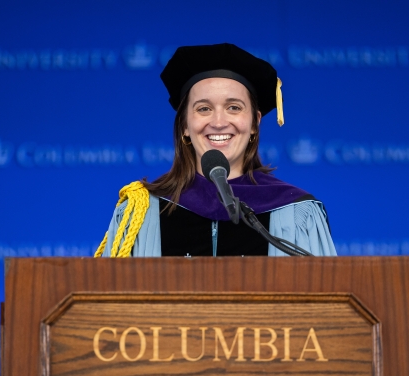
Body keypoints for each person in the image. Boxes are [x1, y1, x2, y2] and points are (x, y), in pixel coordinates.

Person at [95, 43, 336, 258]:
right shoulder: (141, 212)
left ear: (254, 123)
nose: (219, 122)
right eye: (203, 109)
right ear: (185, 126)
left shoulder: (296, 212)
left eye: (233, 107)